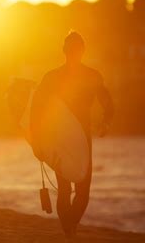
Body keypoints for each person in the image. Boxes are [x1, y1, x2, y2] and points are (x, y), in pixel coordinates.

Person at [31, 31, 114, 238]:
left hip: (81, 138)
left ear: (82, 51)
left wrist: (105, 122)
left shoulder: (91, 76)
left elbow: (107, 102)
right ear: (65, 51)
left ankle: (69, 228)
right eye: (71, 49)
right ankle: (70, 232)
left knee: (81, 193)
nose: (73, 53)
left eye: (76, 49)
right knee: (66, 188)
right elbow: (37, 109)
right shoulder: (52, 78)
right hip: (61, 137)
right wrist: (36, 141)